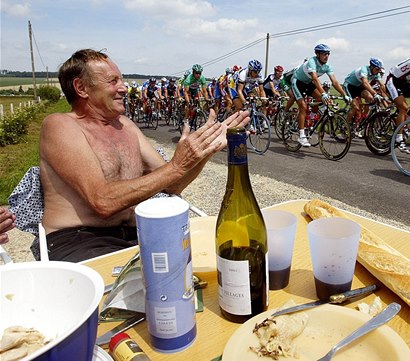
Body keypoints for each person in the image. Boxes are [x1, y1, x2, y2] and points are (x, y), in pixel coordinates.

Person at [39, 49, 249, 262]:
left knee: (217, 260)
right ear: (81, 88)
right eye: (113, 81)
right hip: (79, 240)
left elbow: (172, 185)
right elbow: (102, 201)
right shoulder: (60, 125)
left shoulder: (126, 126)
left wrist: (204, 150)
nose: (123, 88)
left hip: (134, 233)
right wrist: (176, 165)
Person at [290, 44, 350, 147]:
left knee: (320, 100)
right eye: (324, 54)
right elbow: (314, 78)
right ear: (317, 54)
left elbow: (335, 82)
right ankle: (301, 135)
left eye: (328, 54)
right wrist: (323, 93)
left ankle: (311, 118)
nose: (326, 56)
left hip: (308, 83)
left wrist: (344, 95)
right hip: (297, 82)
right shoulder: (312, 62)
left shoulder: (327, 66)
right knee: (303, 107)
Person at [343, 58, 386, 135]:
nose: (378, 71)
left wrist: (387, 97)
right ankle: (344, 125)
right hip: (349, 86)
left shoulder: (376, 73)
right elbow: (365, 83)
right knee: (355, 107)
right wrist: (375, 93)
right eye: (377, 69)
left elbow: (382, 85)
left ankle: (363, 119)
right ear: (372, 67)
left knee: (371, 99)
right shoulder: (364, 69)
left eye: (379, 69)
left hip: (359, 86)